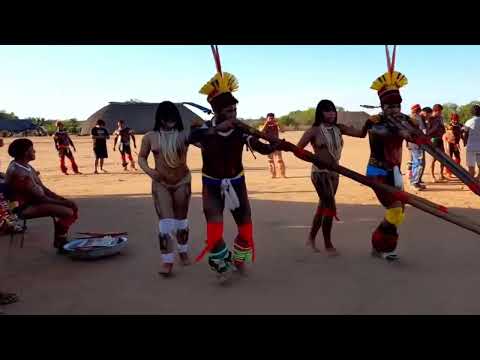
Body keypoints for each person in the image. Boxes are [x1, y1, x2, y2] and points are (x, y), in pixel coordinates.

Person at [192, 67, 280, 279]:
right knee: (214, 230)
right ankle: (221, 265)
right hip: (212, 185)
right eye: (229, 111)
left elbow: (260, 147)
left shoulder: (241, 130)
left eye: (235, 110)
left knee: (246, 228)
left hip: (237, 183)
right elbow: (191, 137)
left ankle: (239, 260)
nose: (233, 115)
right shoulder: (204, 130)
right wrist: (215, 130)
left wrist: (273, 144)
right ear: (217, 112)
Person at [338, 51, 416, 261]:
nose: (394, 109)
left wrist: (412, 134)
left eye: (397, 105)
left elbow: (419, 139)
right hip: (376, 171)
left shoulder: (407, 120)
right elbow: (359, 134)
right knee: (394, 210)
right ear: (382, 106)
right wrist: (337, 126)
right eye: (390, 106)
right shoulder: (374, 121)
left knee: (398, 213)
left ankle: (385, 248)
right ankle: (379, 246)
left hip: (395, 173)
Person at [138, 102, 200, 276]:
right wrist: (150, 171)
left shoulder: (184, 135)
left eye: (172, 116)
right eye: (166, 117)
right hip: (161, 183)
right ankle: (167, 261)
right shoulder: (151, 137)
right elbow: (142, 157)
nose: (170, 120)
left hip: (182, 181)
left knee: (181, 220)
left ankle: (183, 251)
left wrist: (200, 127)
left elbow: (205, 143)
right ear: (161, 118)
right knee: (165, 223)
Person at [5, 139, 78, 253]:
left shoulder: (23, 165)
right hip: (23, 208)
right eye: (32, 150)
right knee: (68, 212)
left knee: (71, 207)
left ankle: (60, 240)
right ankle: (60, 242)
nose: (35, 151)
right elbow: (40, 197)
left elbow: (42, 188)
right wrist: (63, 202)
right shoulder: (20, 173)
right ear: (25, 153)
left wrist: (59, 198)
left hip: (33, 200)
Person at [297, 100, 344, 255]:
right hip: (320, 174)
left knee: (323, 206)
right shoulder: (314, 131)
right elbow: (298, 150)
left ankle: (310, 239)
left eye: (333, 110)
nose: (331, 113)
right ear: (320, 113)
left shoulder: (338, 129)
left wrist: (370, 123)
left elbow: (360, 134)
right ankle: (328, 244)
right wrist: (313, 158)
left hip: (335, 173)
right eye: (327, 111)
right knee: (330, 207)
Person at [261, 113, 286, 178]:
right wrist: (266, 123)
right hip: (268, 144)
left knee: (279, 160)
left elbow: (283, 131)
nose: (271, 119)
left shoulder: (276, 125)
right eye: (270, 118)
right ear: (267, 118)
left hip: (277, 143)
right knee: (270, 160)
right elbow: (261, 132)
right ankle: (273, 175)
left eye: (272, 118)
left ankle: (283, 174)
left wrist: (278, 124)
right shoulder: (264, 125)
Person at [408, 104, 427, 190]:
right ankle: (414, 183)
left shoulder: (413, 117)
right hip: (416, 144)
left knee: (417, 163)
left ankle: (416, 181)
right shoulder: (414, 118)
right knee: (417, 163)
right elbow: (422, 131)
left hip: (416, 143)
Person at [427, 104, 447, 182]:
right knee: (433, 159)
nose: (441, 113)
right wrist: (435, 128)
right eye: (440, 111)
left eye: (441, 112)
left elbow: (443, 128)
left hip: (440, 139)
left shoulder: (440, 118)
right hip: (433, 140)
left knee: (443, 158)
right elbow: (427, 131)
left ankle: (441, 175)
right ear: (435, 111)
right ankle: (432, 176)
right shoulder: (430, 119)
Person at [463, 104, 480, 179]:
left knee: (471, 166)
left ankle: (471, 182)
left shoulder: (469, 122)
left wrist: (464, 142)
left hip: (471, 147)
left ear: (472, 113)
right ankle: (478, 178)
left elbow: (465, 133)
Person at [444, 112, 463, 177]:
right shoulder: (449, 125)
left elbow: (462, 133)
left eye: (456, 119)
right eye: (453, 119)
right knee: (449, 158)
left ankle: (456, 171)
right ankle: (448, 172)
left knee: (458, 158)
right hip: (449, 144)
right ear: (451, 119)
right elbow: (448, 135)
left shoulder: (460, 125)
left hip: (456, 144)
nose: (455, 121)